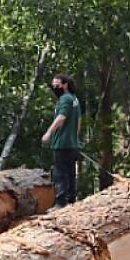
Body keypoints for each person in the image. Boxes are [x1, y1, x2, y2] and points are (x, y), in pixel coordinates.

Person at [42, 74, 81, 206]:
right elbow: (78, 121)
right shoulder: (74, 99)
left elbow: (61, 117)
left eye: (57, 85)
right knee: (70, 173)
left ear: (65, 85)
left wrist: (48, 133)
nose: (55, 88)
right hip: (72, 144)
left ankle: (60, 203)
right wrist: (75, 138)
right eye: (53, 86)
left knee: (60, 174)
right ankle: (71, 201)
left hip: (62, 143)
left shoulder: (64, 99)